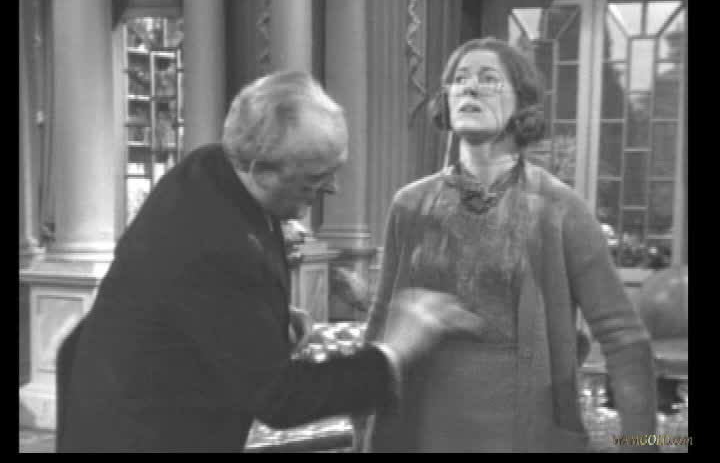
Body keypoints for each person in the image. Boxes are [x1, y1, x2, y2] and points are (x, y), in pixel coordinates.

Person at [57, 71, 484, 453]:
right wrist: (395, 350)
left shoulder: (212, 167)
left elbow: (207, 300)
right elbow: (282, 398)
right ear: (262, 171)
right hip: (143, 435)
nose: (333, 188)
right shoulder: (211, 242)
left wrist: (261, 317)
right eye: (315, 177)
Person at [352, 37, 658, 452]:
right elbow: (381, 323)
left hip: (520, 431)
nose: (470, 87)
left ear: (522, 105)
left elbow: (624, 338)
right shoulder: (411, 205)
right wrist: (363, 433)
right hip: (420, 428)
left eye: (488, 79)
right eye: (460, 79)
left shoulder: (559, 207)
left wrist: (642, 444)